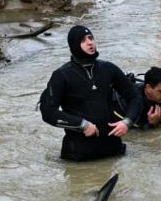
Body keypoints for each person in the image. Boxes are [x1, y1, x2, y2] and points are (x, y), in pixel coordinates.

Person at [40, 25, 141, 161]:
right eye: (83, 40)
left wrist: (127, 122)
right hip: (78, 157)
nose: (90, 42)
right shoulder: (61, 75)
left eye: (91, 38)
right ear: (74, 45)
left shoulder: (109, 69)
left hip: (113, 152)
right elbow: (48, 112)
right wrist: (81, 125)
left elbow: (135, 97)